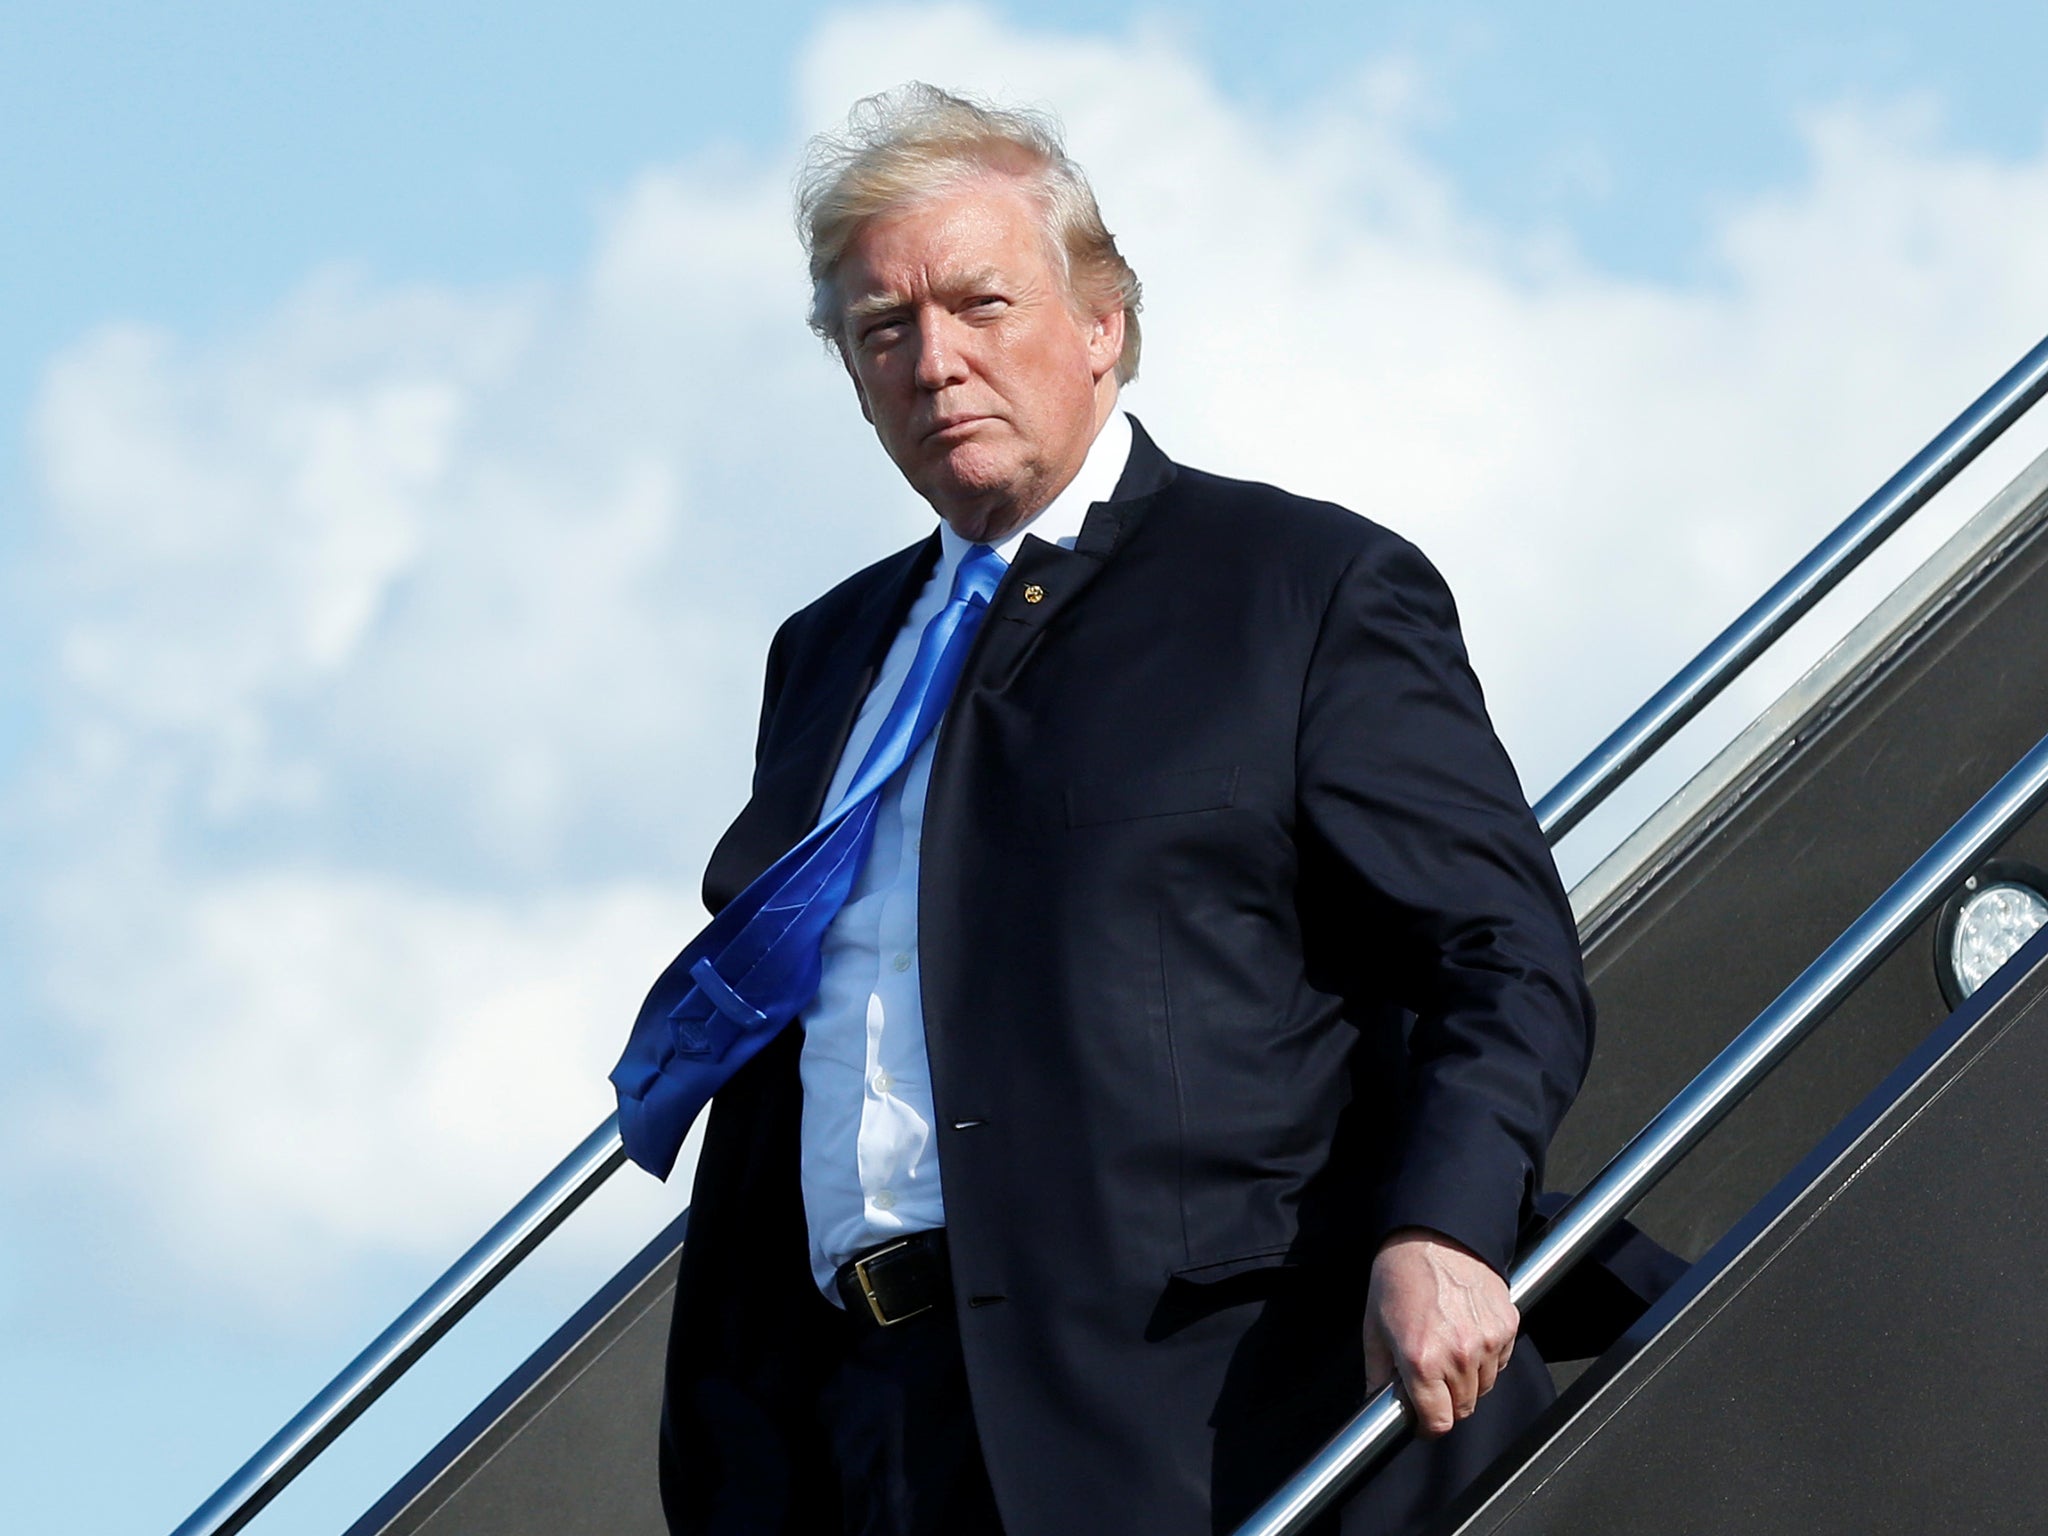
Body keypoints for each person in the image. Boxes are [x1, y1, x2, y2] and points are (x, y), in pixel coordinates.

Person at [610, 83, 1595, 1536]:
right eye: (885, 330)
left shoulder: (1300, 591)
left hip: (1197, 1415)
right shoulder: (826, 655)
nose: (936, 361)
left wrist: (1446, 1225)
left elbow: (1500, 957)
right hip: (872, 1430)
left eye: (980, 304)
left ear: (1102, 324)